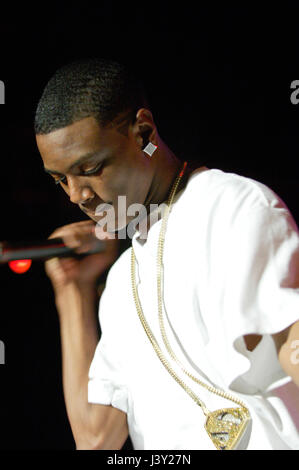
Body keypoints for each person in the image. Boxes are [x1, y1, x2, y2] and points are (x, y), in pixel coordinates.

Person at [35, 58, 299, 450]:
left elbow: (290, 342)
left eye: (89, 168)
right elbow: (95, 438)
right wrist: (72, 290)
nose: (77, 195)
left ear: (143, 133)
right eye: (61, 180)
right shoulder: (122, 281)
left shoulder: (234, 207)